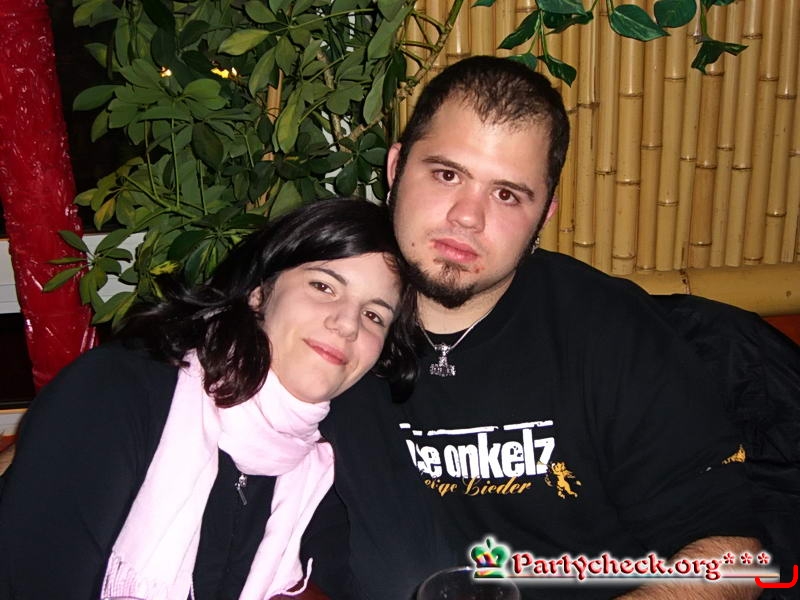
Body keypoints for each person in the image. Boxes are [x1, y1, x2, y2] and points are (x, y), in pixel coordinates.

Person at [319, 57, 764, 599]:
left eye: (506, 194)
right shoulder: (329, 322)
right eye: (446, 174)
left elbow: (737, 560)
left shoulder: (610, 332)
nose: (467, 216)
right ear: (395, 169)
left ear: (544, 214)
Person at [0, 197, 417, 600]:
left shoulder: (315, 459)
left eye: (374, 315)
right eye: (323, 286)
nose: (347, 324)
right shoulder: (116, 394)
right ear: (259, 292)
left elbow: (381, 578)